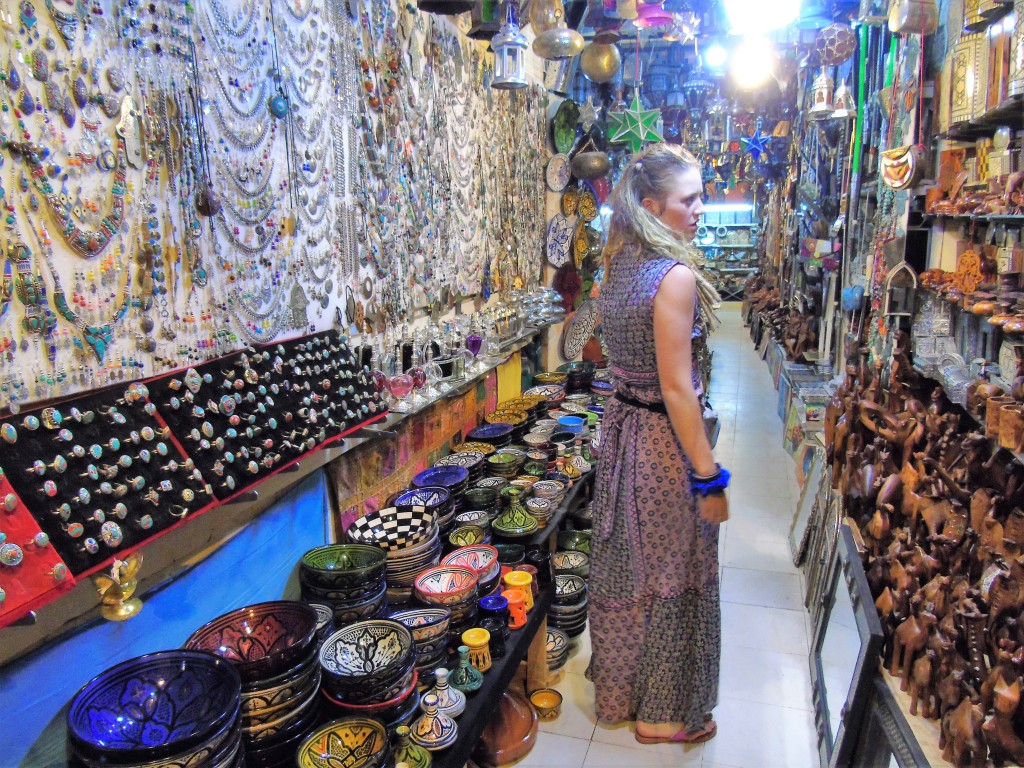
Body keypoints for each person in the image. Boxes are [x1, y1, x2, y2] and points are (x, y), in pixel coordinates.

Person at [586, 143, 730, 745]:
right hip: (661, 447)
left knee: (629, 568)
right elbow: (677, 389)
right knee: (676, 572)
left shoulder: (618, 267)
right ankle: (662, 716)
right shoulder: (673, 278)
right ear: (652, 206)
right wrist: (708, 475)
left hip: (622, 436)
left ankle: (621, 700)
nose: (701, 208)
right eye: (689, 199)